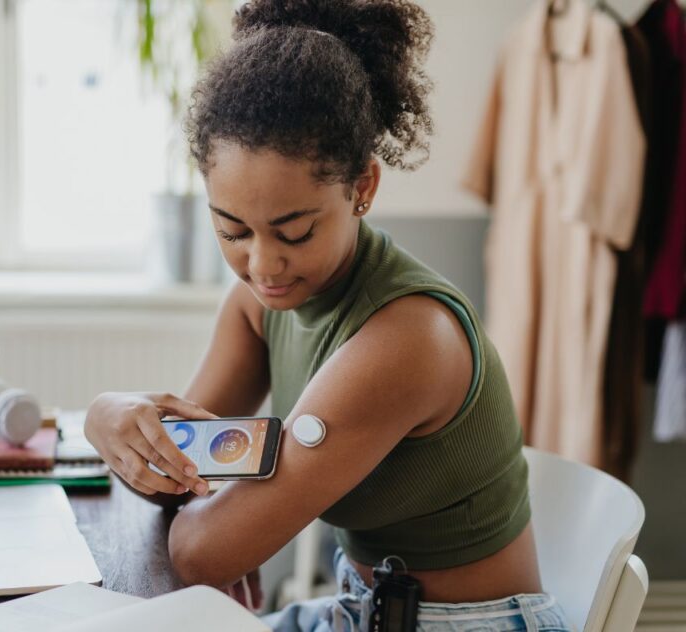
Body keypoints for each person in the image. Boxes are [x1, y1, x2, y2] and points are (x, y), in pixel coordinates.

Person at [84, 1, 573, 629]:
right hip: (360, 609)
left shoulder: (408, 339)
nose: (264, 265)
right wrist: (107, 416)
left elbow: (204, 550)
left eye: (295, 231)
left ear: (362, 188)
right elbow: (179, 475)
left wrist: (211, 510)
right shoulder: (259, 307)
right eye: (233, 230)